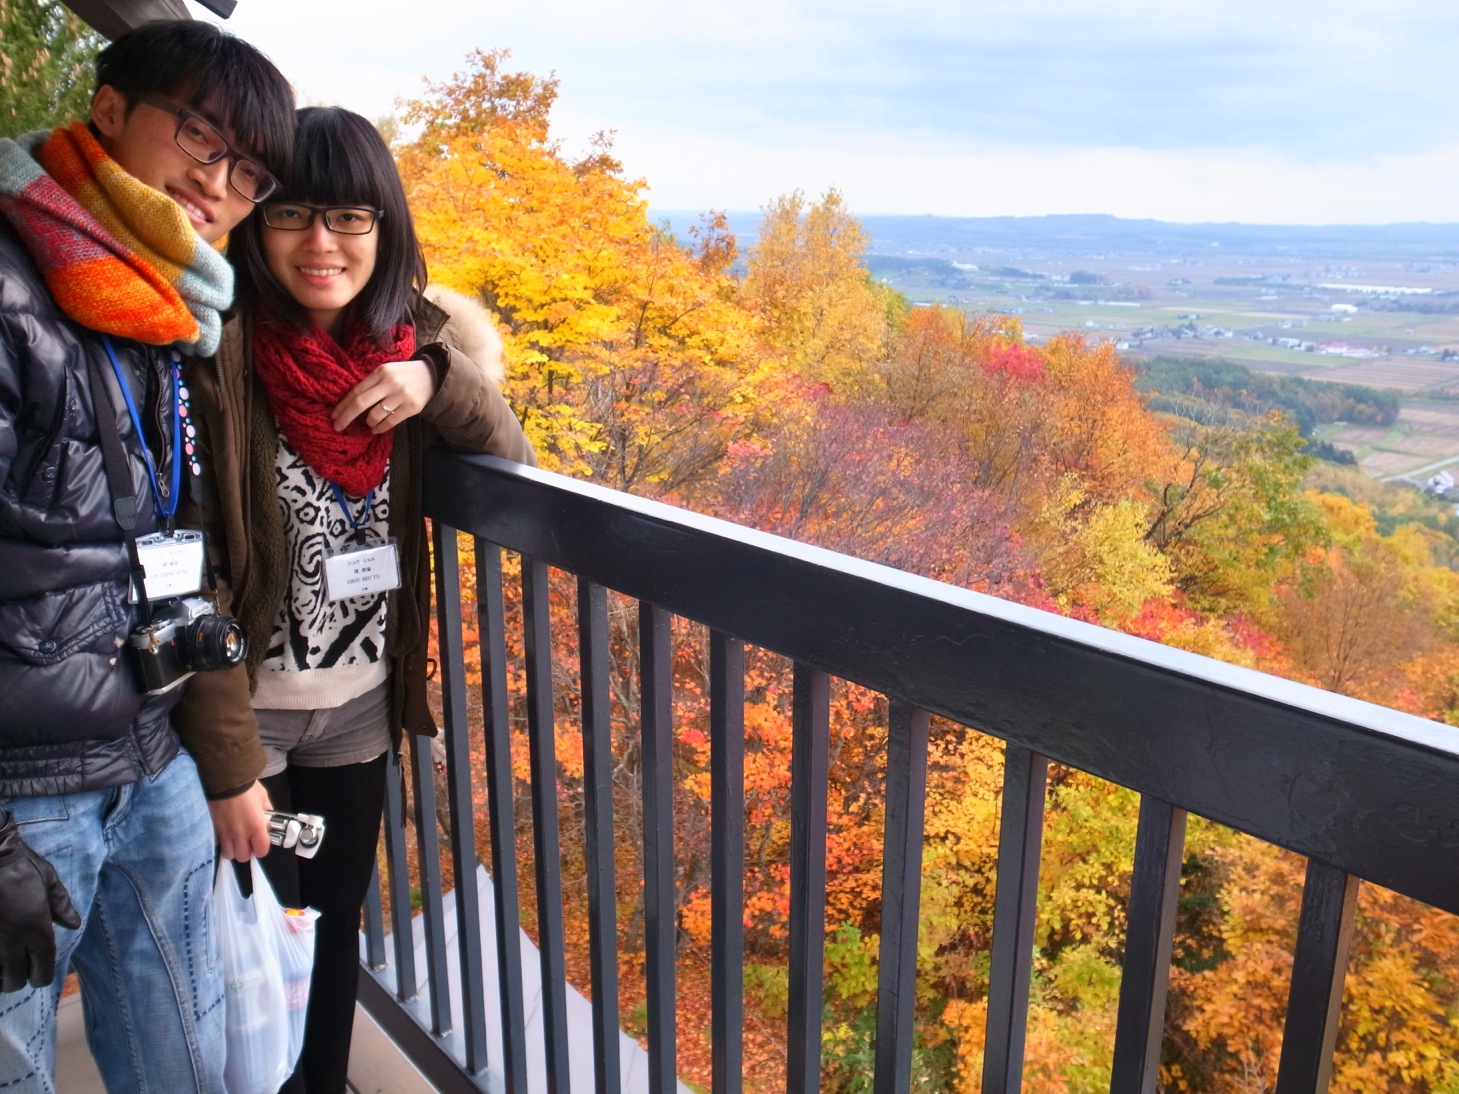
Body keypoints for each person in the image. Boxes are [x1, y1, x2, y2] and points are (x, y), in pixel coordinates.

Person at [179, 105, 535, 1093]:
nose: (321, 242)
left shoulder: (410, 345)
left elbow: (515, 455)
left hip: (357, 711)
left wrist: (432, 378)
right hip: (246, 714)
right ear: (258, 223)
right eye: (292, 213)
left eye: (350, 216)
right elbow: (187, 560)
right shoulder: (216, 350)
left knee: (333, 931)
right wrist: (225, 759)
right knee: (245, 949)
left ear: (384, 225)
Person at [0, 19, 294, 1094]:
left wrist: (219, 761)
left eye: (249, 172)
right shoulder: (16, 282)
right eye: (200, 137)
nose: (218, 182)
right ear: (110, 107)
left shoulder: (167, 311)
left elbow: (173, 549)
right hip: (24, 791)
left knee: (187, 1061)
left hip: (153, 750)